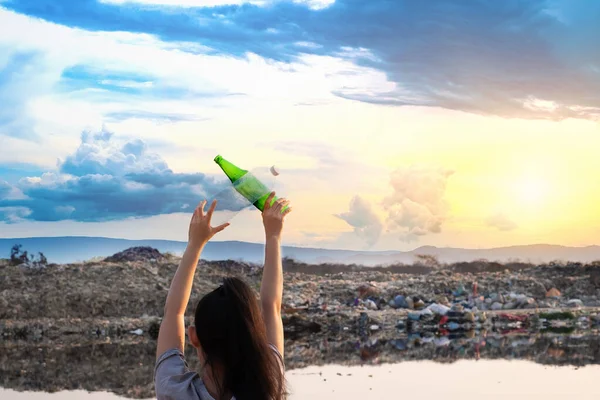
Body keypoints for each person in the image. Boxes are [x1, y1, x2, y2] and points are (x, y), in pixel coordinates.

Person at [154, 192, 292, 400]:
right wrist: (273, 235)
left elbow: (173, 313)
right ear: (256, 334)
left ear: (193, 336)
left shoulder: (174, 391)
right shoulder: (269, 387)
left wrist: (195, 243)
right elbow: (271, 306)